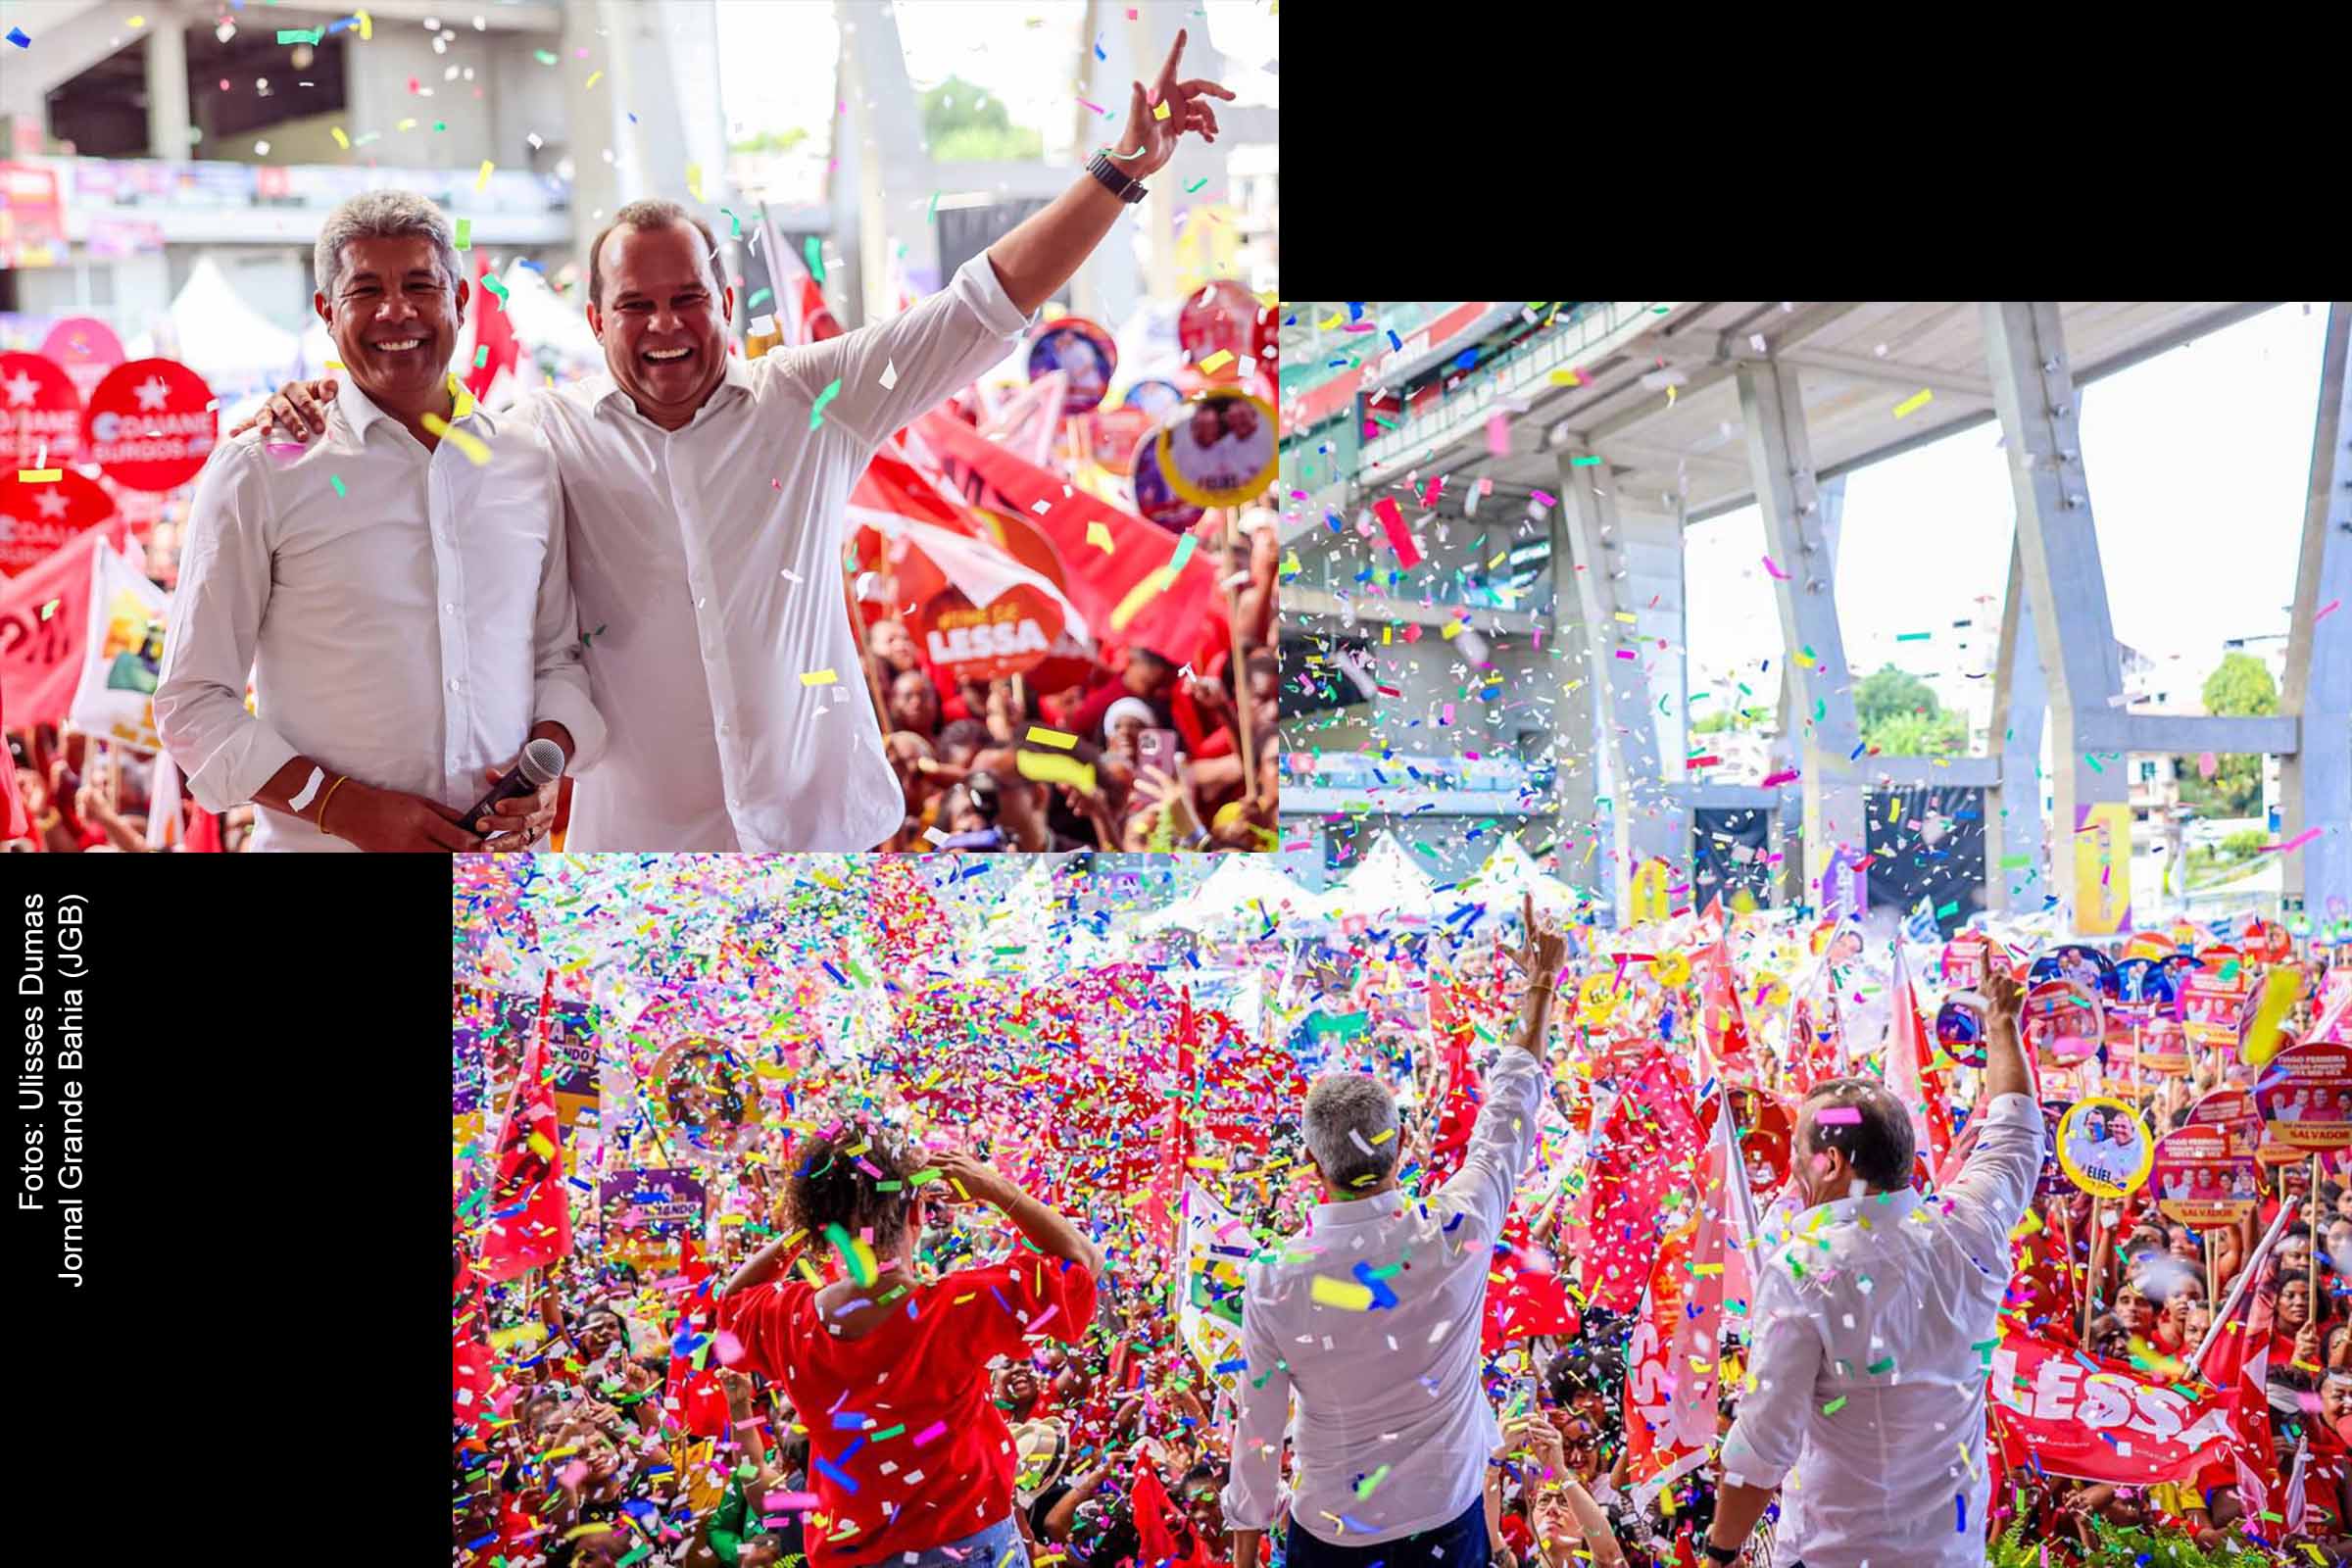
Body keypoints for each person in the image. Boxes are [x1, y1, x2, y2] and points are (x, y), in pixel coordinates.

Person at [246, 33, 1234, 851]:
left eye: (688, 299)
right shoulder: (539, 439)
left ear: (730, 303)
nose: (665, 325)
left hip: (827, 849)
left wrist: (1118, 174)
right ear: (595, 320)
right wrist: (315, 402)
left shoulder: (810, 402)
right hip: (645, 873)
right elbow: (401, 425)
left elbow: (982, 305)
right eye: (636, 304)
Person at [155, 190, 604, 852]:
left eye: (420, 285)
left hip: (505, 892)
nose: (397, 310)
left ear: (459, 299)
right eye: (367, 290)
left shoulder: (525, 460)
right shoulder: (265, 467)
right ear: (327, 312)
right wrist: (341, 807)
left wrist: (545, 766)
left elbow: (557, 659)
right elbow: (192, 702)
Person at [1223, 897, 1570, 1568]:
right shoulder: (1455, 1229)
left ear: (1310, 1163)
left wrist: (1244, 1551)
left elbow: (1259, 1429)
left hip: (1332, 1535)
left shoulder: (1273, 1278)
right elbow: (1509, 1115)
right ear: (1405, 1144)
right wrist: (1540, 986)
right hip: (1446, 1525)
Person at [1704, 966, 2041, 1567]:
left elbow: (1762, 1447)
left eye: (1798, 1155)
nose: (1790, 1172)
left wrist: (1721, 1551)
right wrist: (2002, 1025)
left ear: (1830, 1163)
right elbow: (2016, 1132)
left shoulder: (1803, 1272)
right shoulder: (1970, 1231)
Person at [713, 1121, 1103, 1568]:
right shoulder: (961, 1306)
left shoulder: (791, 1319)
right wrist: (995, 1188)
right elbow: (1084, 1262)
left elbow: (732, 1301)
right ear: (917, 1214)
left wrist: (814, 1224)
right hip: (969, 1549)